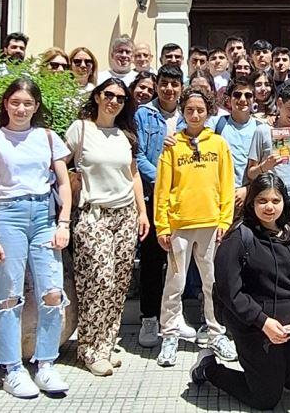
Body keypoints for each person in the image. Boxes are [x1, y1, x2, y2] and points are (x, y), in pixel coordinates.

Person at [197, 174, 290, 410]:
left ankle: (283, 369)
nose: (269, 207)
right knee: (264, 399)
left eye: (275, 200)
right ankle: (209, 368)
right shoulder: (239, 237)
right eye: (262, 200)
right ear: (251, 202)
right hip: (254, 326)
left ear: (284, 202)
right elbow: (230, 292)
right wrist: (262, 321)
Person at [0, 78, 72, 398]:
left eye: (27, 103)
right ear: (6, 104)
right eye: (15, 102)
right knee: (9, 295)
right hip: (9, 217)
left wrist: (63, 223)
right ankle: (12, 369)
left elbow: (63, 183)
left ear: (36, 107)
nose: (21, 108)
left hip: (44, 216)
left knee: (52, 292)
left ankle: (45, 363)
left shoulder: (47, 137)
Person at [66, 78, 150, 376]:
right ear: (97, 96)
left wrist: (142, 212)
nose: (114, 101)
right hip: (93, 214)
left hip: (125, 214)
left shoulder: (124, 134)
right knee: (98, 280)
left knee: (118, 284)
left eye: (120, 98)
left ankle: (105, 344)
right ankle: (89, 348)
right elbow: (58, 164)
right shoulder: (80, 129)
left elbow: (133, 174)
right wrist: (70, 185)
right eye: (109, 95)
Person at [154, 87, 238, 367]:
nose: (194, 115)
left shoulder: (219, 144)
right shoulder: (172, 145)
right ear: (182, 111)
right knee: (175, 283)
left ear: (209, 112)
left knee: (212, 283)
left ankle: (216, 333)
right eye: (189, 110)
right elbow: (162, 188)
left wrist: (225, 219)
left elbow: (227, 184)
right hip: (179, 224)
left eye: (200, 110)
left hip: (211, 224)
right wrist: (162, 225)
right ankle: (169, 335)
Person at [133, 65, 199, 348]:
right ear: (157, 85)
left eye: (174, 84)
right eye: (164, 84)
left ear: (181, 87)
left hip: (183, 201)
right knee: (152, 261)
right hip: (153, 199)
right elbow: (138, 156)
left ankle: (174, 315)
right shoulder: (143, 114)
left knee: (178, 261)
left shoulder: (189, 115)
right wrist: (164, 179)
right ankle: (149, 318)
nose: (169, 89)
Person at [213, 77, 265, 208]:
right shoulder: (216, 124)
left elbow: (266, 166)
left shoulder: (261, 128)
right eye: (237, 95)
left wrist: (248, 189)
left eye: (248, 95)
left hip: (252, 197)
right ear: (229, 99)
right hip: (221, 195)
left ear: (254, 99)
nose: (242, 99)